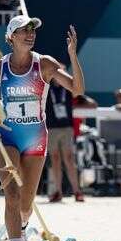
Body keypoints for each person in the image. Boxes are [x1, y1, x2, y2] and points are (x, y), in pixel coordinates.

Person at [0, 15, 84, 241]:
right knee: (12, 196)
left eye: (32, 31)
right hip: (7, 136)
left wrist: (73, 55)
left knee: (26, 203)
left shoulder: (46, 64)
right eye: (23, 31)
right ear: (10, 37)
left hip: (36, 137)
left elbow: (77, 89)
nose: (29, 35)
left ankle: (23, 227)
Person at [45, 66, 86, 202]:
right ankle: (58, 191)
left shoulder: (68, 89)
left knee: (69, 159)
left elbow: (85, 99)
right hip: (51, 128)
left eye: (61, 72)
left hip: (66, 127)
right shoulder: (47, 89)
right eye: (57, 72)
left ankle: (77, 191)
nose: (59, 75)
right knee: (55, 160)